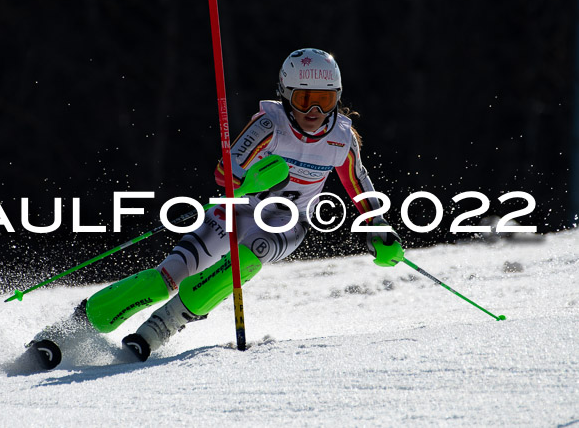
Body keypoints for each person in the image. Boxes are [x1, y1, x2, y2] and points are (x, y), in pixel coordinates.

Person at [26, 48, 403, 369]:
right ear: (286, 94)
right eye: (305, 99)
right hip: (237, 210)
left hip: (286, 224)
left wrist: (378, 227)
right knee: (164, 279)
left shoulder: (341, 137)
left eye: (327, 99)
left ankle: (160, 328)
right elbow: (226, 172)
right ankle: (66, 333)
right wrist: (248, 182)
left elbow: (358, 182)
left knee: (246, 261)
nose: (316, 111)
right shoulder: (269, 124)